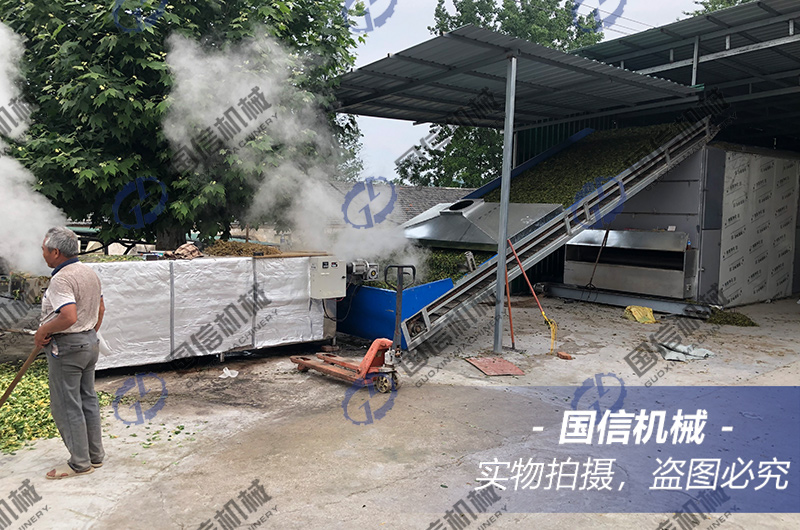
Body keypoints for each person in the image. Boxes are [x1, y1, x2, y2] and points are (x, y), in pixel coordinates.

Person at [34, 227, 105, 479]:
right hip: (89, 343)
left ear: (56, 252)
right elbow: (101, 308)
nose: (42, 254)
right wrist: (89, 333)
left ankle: (80, 463)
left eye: (44, 249)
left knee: (66, 405)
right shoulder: (88, 272)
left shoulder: (61, 279)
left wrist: (43, 330)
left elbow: (68, 316)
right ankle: (95, 456)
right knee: (87, 399)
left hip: (68, 348)